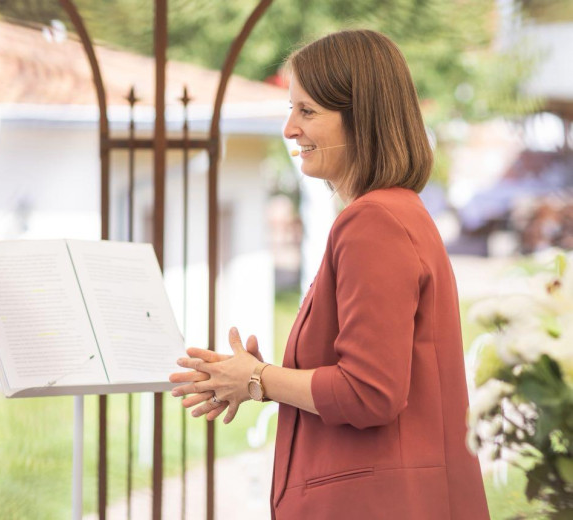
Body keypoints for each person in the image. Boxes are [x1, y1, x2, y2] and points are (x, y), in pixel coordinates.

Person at [169, 29, 490, 519]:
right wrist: (256, 379)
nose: (289, 129)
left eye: (307, 111)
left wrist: (258, 377)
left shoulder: (373, 221)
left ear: (361, 117)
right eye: (291, 109)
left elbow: (369, 393)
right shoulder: (398, 212)